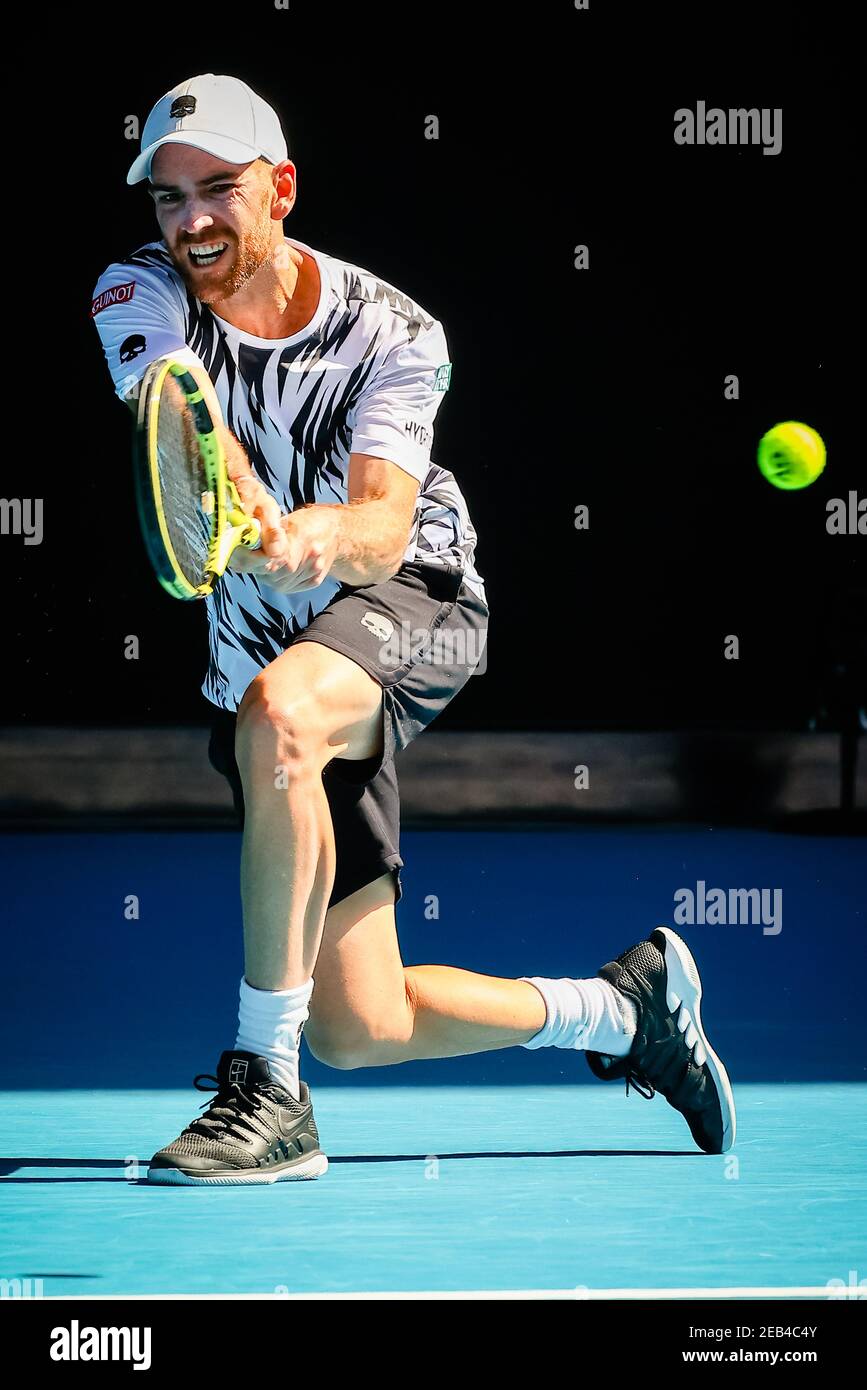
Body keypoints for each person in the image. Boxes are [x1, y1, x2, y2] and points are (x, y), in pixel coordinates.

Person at [92, 74, 735, 1184]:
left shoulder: (397, 334)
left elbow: (388, 529)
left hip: (417, 602)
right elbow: (185, 422)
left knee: (283, 716)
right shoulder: (131, 292)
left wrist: (321, 537)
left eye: (219, 191)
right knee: (360, 1020)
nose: (189, 220)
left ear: (281, 188)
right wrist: (251, 508)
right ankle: (626, 1010)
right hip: (264, 651)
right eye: (167, 197)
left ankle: (266, 1089)